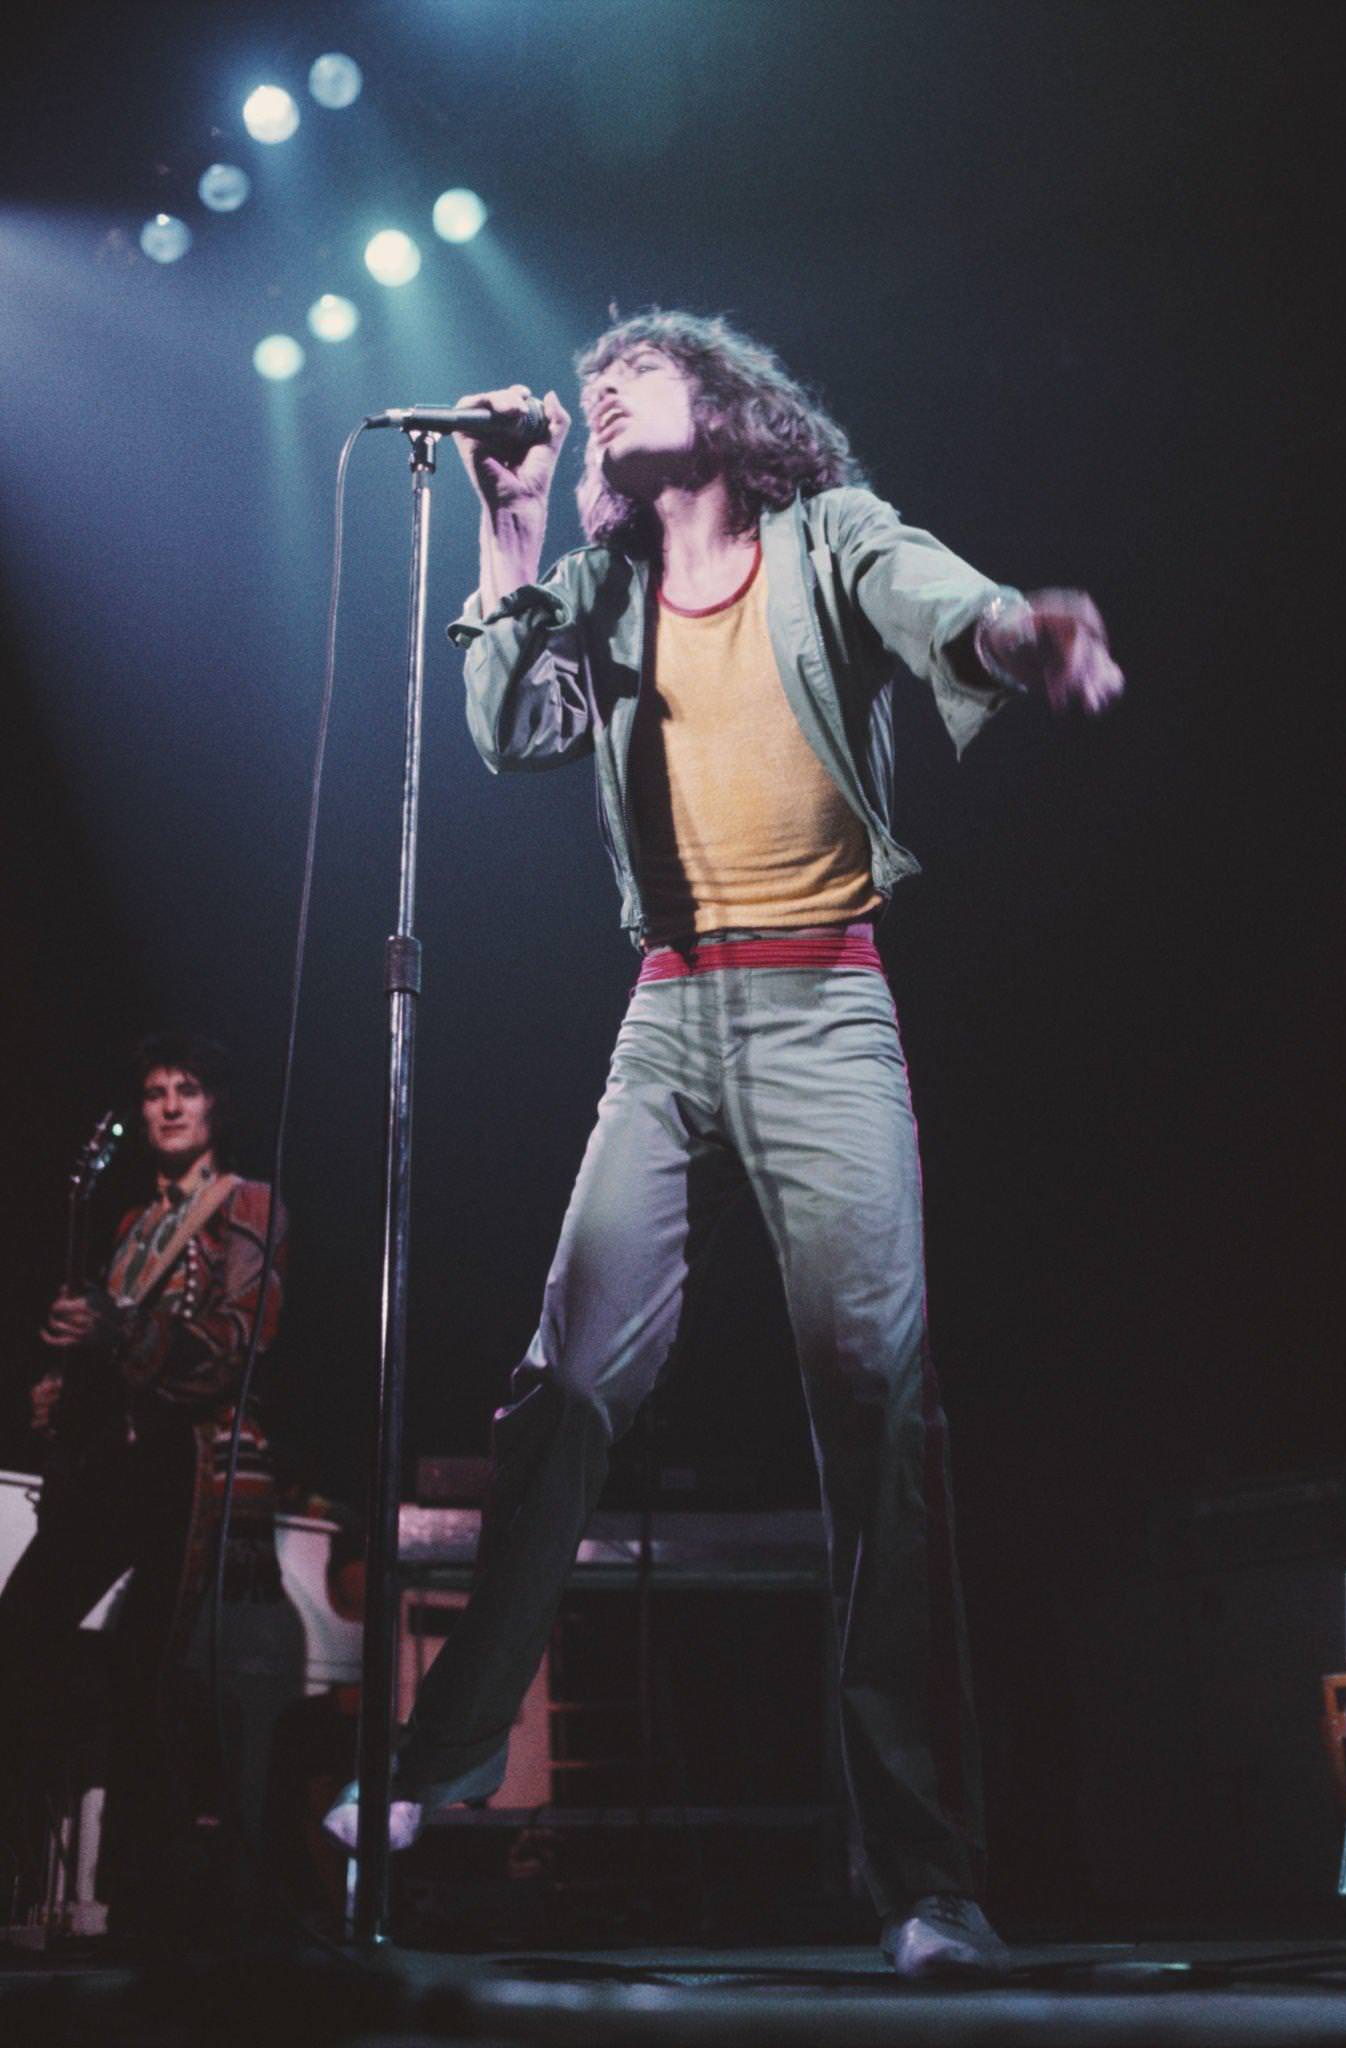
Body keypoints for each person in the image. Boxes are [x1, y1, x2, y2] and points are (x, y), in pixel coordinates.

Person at [326, 311, 1123, 1977]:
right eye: (589, 372)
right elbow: (500, 728)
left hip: (823, 1005)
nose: (601, 379)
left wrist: (1015, 635)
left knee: (873, 1411)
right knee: (559, 1385)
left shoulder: (821, 537)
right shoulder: (602, 589)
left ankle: (917, 1875)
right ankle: (441, 1759)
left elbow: (934, 603)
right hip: (668, 1015)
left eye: (639, 364)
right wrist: (507, 518)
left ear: (730, 404)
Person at [0, 1032, 286, 1939]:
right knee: (20, 1630)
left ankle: (144, 1898)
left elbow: (238, 1347)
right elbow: (106, 1358)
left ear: (216, 1109)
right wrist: (65, 1385)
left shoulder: (248, 1206)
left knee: (146, 1675)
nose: (167, 1105)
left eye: (187, 1089)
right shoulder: (129, 1225)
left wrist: (114, 1333)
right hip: (112, 1465)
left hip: (187, 1463)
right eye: (155, 1090)